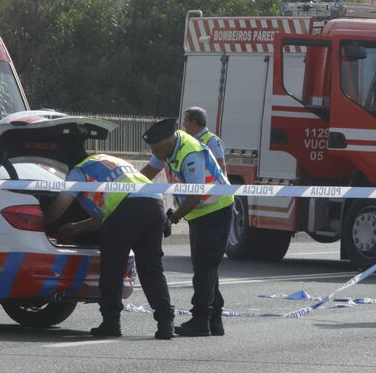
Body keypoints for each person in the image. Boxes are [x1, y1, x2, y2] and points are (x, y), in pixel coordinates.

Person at [43, 141, 175, 340]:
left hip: (128, 209)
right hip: (155, 205)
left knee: (112, 268)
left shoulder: (79, 171)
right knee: (152, 268)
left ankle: (111, 323)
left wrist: (42, 224)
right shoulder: (109, 161)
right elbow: (108, 214)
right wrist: (77, 227)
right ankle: (166, 323)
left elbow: (59, 208)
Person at [141, 118, 234, 337]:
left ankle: (201, 321)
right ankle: (215, 321)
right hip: (200, 213)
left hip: (215, 210)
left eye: (155, 148)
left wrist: (171, 219)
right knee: (207, 267)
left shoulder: (190, 153)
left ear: (167, 142)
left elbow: (196, 194)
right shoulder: (167, 149)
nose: (154, 153)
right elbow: (145, 175)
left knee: (203, 268)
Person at [182, 106, 226, 173]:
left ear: (193, 123)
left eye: (185, 121)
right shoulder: (188, 140)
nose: (183, 124)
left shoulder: (212, 141)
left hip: (209, 183)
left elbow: (221, 166)